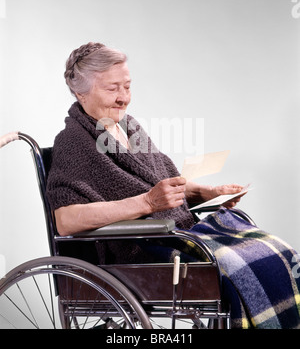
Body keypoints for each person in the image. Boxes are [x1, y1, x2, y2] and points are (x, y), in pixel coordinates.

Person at [46, 42, 300, 329]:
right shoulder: (71, 143)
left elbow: (158, 180)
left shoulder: (128, 127)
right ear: (81, 92)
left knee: (278, 252)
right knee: (242, 265)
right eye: (112, 88)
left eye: (127, 87)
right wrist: (147, 203)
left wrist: (207, 193)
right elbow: (66, 221)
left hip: (177, 231)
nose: (123, 98)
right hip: (140, 247)